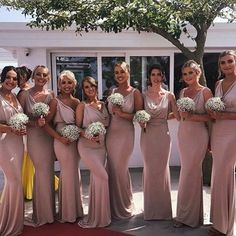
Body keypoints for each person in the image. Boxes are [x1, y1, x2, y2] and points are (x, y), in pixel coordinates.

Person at [174, 60, 213, 228]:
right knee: (186, 172)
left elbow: (211, 117)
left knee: (192, 171)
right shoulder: (182, 92)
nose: (188, 76)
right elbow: (179, 116)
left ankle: (189, 218)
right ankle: (187, 215)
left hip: (198, 136)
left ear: (198, 73)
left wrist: (192, 116)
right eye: (185, 74)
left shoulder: (206, 92)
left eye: (191, 72)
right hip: (183, 135)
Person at [42, 70, 83, 223]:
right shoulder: (54, 102)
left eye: (69, 82)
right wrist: (59, 138)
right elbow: (45, 124)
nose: (67, 85)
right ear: (59, 84)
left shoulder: (77, 102)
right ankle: (67, 213)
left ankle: (76, 210)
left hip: (74, 141)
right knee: (66, 173)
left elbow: (80, 124)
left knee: (74, 172)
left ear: (74, 84)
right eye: (63, 82)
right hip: (60, 141)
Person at [140, 64, 180, 220]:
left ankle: (163, 212)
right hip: (148, 135)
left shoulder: (169, 95)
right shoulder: (143, 95)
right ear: (149, 77)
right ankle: (150, 211)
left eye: (158, 74)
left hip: (163, 135)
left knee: (162, 170)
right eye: (153, 74)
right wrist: (142, 121)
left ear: (163, 76)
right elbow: (139, 114)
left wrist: (163, 117)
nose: (156, 77)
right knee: (150, 170)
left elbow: (176, 115)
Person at [18, 65, 56, 226]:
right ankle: (41, 214)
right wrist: (35, 123)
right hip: (34, 138)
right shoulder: (25, 94)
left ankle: (49, 213)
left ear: (48, 78)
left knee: (48, 172)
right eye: (38, 74)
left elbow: (53, 119)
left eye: (45, 75)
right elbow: (19, 117)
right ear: (33, 76)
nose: (41, 77)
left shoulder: (51, 95)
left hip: (48, 138)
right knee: (40, 171)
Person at [106, 61, 143, 219]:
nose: (119, 75)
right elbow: (107, 115)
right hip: (111, 135)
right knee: (112, 168)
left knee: (121, 169)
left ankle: (124, 205)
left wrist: (122, 114)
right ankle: (111, 205)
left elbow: (139, 115)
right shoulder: (111, 91)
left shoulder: (135, 93)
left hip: (126, 134)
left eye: (122, 71)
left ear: (128, 72)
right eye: (116, 72)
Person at [76, 76, 111, 227]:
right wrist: (89, 135)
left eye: (92, 86)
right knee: (103, 177)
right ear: (83, 90)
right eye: (86, 87)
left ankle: (100, 216)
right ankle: (96, 217)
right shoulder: (82, 106)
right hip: (86, 146)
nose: (90, 89)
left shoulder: (104, 105)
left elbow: (108, 125)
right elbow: (77, 127)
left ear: (96, 87)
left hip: (101, 147)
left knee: (97, 179)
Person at [208, 50, 236, 236]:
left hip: (233, 132)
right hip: (218, 132)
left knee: (226, 174)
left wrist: (223, 114)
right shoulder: (218, 84)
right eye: (223, 63)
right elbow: (213, 113)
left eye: (230, 61)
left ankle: (227, 226)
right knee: (217, 174)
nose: (227, 65)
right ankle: (218, 222)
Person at [0, 66, 26, 235]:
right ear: (2, 77)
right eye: (8, 77)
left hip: (18, 143)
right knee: (14, 180)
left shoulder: (15, 97)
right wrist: (11, 129)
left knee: (14, 182)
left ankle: (11, 220)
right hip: (3, 143)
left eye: (15, 78)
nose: (11, 81)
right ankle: (8, 225)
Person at [16, 66, 34, 200]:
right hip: (29, 128)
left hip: (30, 128)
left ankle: (30, 186)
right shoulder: (24, 92)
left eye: (19, 77)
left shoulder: (24, 93)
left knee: (29, 156)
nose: (17, 80)